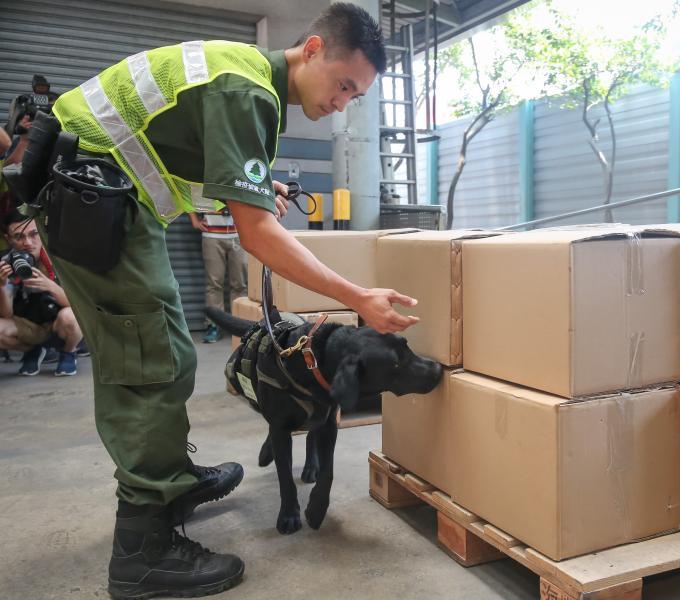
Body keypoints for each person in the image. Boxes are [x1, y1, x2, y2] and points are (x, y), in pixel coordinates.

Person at [29, 4, 418, 599]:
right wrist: (356, 296)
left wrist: (264, 188)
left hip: (114, 198)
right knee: (145, 364)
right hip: (94, 199)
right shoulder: (248, 92)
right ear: (312, 49)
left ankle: (171, 481)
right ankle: (143, 549)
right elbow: (258, 236)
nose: (343, 103)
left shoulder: (248, 83)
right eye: (344, 85)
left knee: (172, 351)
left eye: (355, 96)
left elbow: (188, 158)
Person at [0, 211, 82, 375]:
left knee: (71, 316)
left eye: (33, 234)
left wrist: (50, 286)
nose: (28, 243)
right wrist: (2, 285)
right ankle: (34, 350)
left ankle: (69, 351)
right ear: (8, 239)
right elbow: (6, 315)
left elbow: (83, 308)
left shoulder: (62, 257)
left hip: (61, 323)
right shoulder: (5, 262)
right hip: (30, 324)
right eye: (19, 237)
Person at [188, 208, 246, 343]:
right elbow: (189, 194)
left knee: (240, 284)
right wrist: (194, 220)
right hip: (211, 235)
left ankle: (240, 325)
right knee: (213, 284)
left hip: (239, 234)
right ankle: (214, 325)